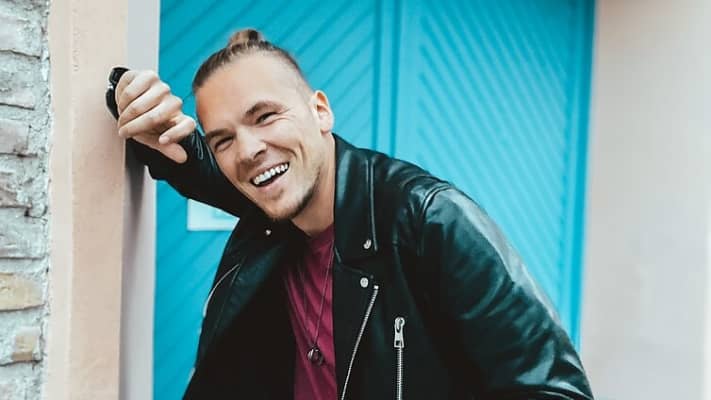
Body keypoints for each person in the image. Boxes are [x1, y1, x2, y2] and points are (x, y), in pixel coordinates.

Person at [108, 29, 593, 400]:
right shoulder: (271, 208)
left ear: (320, 111)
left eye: (266, 116)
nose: (249, 150)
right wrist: (131, 97)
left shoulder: (428, 220)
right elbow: (190, 161)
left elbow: (554, 390)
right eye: (224, 139)